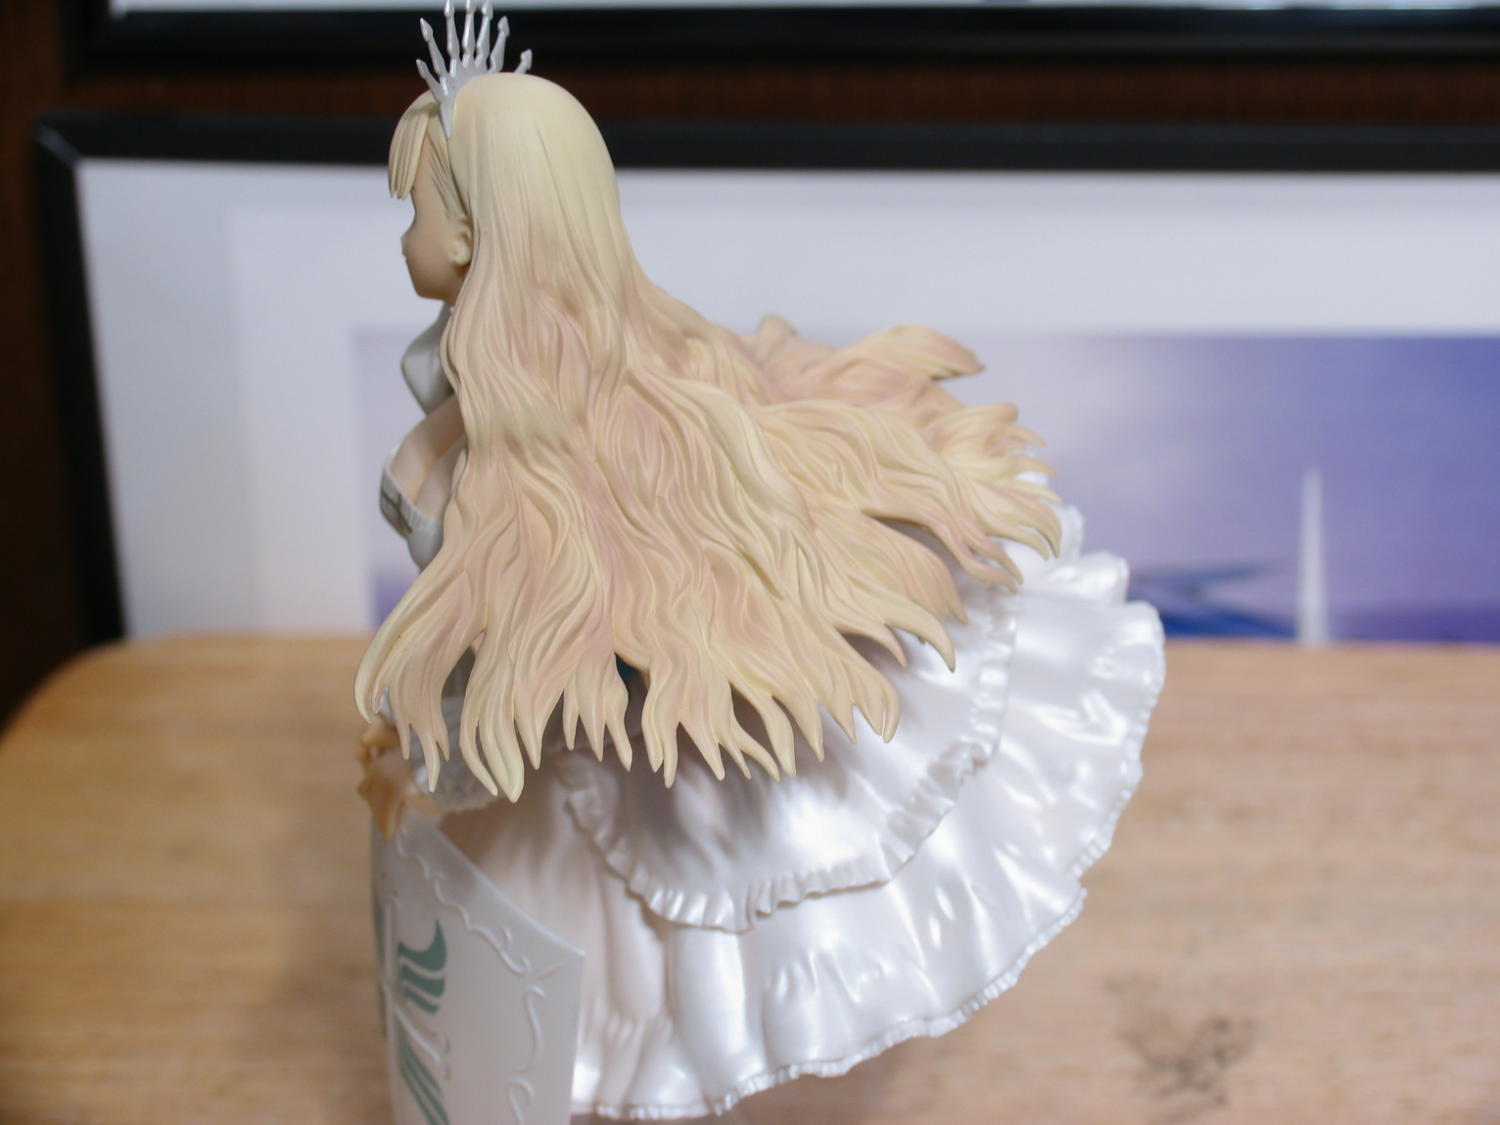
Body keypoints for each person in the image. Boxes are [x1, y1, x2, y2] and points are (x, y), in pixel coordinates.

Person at [357, 42, 1164, 1122]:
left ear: (468, 235)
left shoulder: (583, 426)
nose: (406, 238)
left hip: (640, 757)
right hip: (558, 747)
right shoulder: (505, 400)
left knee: (637, 965)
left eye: (413, 212)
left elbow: (556, 621)